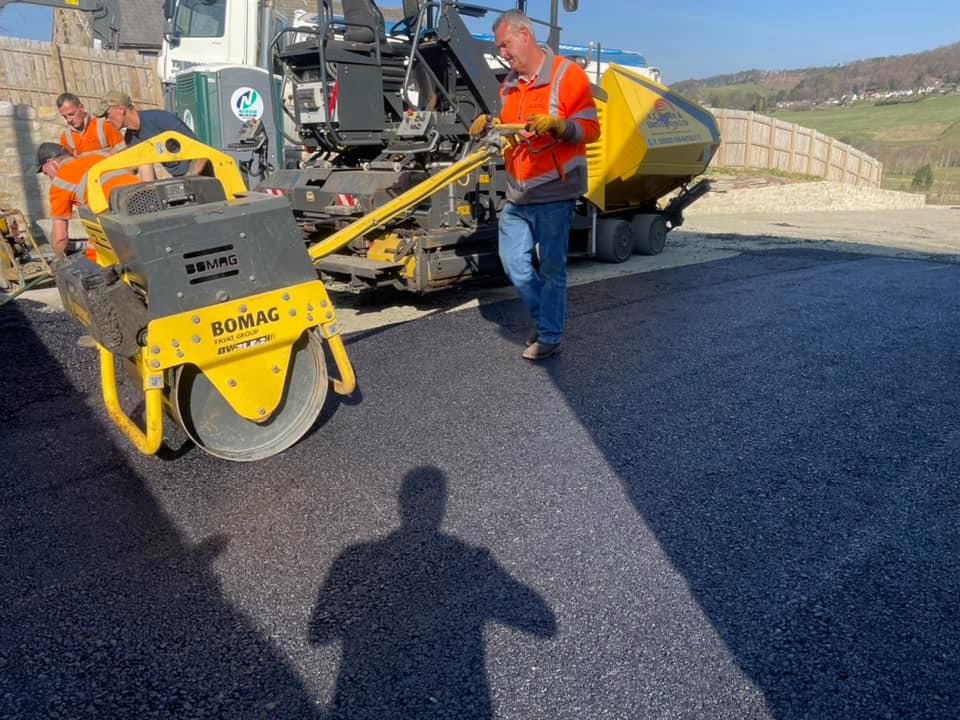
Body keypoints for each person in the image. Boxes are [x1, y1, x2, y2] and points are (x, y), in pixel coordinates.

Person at [470, 10, 600, 360]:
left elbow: (590, 128)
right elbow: (511, 134)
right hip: (519, 192)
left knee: (553, 270)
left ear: (524, 34)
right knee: (512, 262)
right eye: (500, 47)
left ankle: (549, 336)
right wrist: (490, 128)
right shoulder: (510, 84)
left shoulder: (566, 75)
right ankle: (545, 319)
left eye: (505, 44)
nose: (503, 53)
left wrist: (559, 126)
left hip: (556, 192)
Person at [36, 142, 141, 259]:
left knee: (93, 253)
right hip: (147, 197)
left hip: (117, 215)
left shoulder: (59, 183)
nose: (50, 178)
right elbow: (132, 170)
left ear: (52, 163)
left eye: (46, 173)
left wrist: (59, 260)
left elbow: (60, 237)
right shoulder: (101, 156)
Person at [96, 90, 208, 177]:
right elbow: (145, 168)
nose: (106, 120)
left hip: (206, 175)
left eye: (107, 115)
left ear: (121, 109)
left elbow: (202, 152)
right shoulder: (131, 139)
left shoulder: (160, 119)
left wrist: (191, 178)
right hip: (181, 179)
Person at [56, 92, 126, 157]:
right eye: (65, 116)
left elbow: (123, 153)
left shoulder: (105, 126)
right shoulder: (65, 138)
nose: (69, 120)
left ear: (82, 108)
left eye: (71, 114)